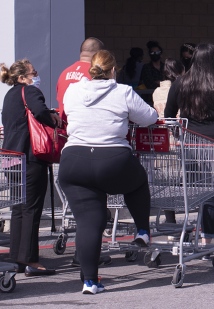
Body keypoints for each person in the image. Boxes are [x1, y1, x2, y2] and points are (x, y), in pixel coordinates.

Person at [57, 49, 158, 295]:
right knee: (137, 181)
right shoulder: (122, 91)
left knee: (89, 222)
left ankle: (89, 281)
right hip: (112, 159)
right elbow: (150, 118)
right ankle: (143, 230)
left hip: (74, 161)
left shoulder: (73, 91)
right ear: (114, 71)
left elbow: (67, 114)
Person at [165, 42, 214, 255]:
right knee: (213, 192)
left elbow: (169, 114)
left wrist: (179, 134)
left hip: (191, 142)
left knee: (204, 191)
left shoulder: (181, 83)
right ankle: (212, 241)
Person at [0, 58, 62, 276]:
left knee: (18, 209)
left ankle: (17, 257)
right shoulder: (30, 92)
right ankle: (30, 261)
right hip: (30, 157)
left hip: (10, 157)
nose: (36, 76)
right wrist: (52, 117)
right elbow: (40, 112)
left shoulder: (9, 95)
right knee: (32, 209)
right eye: (33, 73)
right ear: (22, 78)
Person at [58, 37, 104, 111]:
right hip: (87, 121)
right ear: (100, 55)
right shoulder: (98, 73)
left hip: (64, 121)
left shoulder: (64, 73)